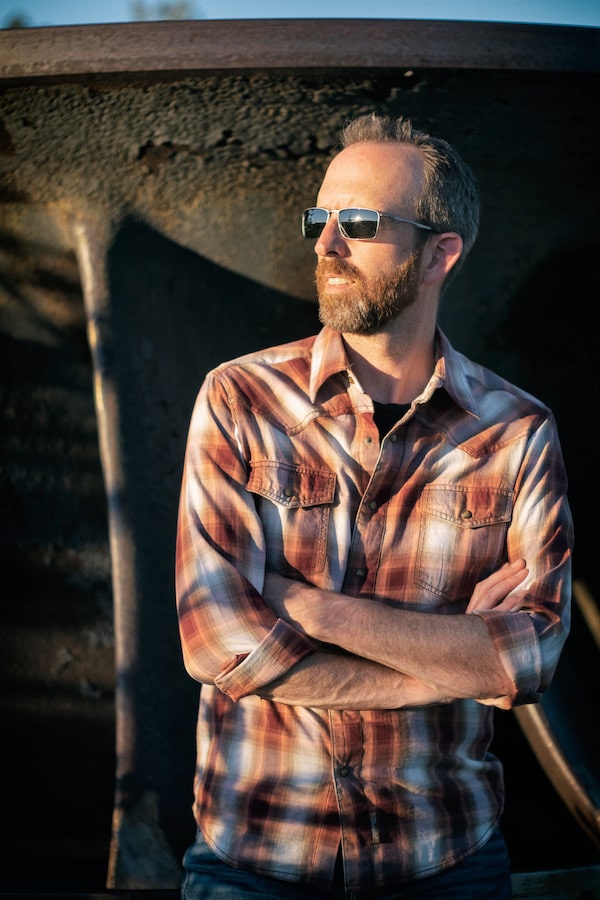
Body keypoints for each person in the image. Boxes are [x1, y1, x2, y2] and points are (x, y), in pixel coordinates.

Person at [175, 112, 573, 899]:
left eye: (357, 224)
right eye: (318, 220)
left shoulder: (518, 432)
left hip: (446, 858)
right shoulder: (240, 399)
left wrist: (306, 609)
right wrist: (454, 664)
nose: (325, 245)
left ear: (439, 254)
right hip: (254, 856)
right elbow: (217, 644)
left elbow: (531, 659)